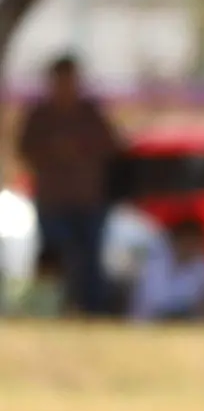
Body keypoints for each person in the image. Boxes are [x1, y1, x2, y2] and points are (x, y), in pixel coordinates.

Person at [15, 53, 123, 317]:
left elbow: (114, 146)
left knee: (90, 258)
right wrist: (53, 151)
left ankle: (92, 310)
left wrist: (79, 149)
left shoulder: (90, 114)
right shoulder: (40, 115)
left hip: (89, 200)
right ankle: (51, 308)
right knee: (54, 258)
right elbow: (24, 150)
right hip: (53, 199)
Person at [128, 217, 204, 322]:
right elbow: (150, 300)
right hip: (146, 323)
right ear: (177, 240)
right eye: (187, 241)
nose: (190, 246)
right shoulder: (155, 261)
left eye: (195, 242)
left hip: (186, 327)